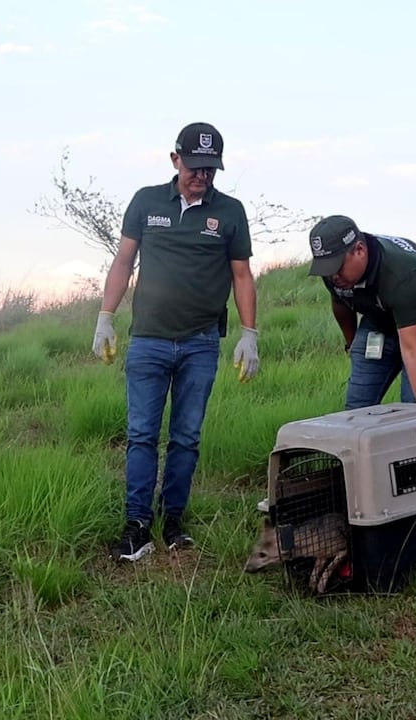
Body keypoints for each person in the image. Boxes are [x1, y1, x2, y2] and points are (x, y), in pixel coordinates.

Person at [92, 121, 259, 562]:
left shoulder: (229, 212)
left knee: (186, 437)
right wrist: (105, 318)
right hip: (148, 340)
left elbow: (242, 274)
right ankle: (137, 526)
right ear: (175, 159)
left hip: (201, 343)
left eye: (210, 169)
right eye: (194, 166)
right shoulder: (147, 202)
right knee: (141, 434)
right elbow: (124, 262)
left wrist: (250, 334)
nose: (201, 176)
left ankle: (175, 522)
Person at [307, 215, 416, 410]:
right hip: (379, 318)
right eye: (326, 269)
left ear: (359, 250)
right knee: (358, 408)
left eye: (337, 267)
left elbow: (413, 350)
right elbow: (339, 302)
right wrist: (352, 343)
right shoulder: (334, 273)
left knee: (415, 408)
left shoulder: (402, 271)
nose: (333, 277)